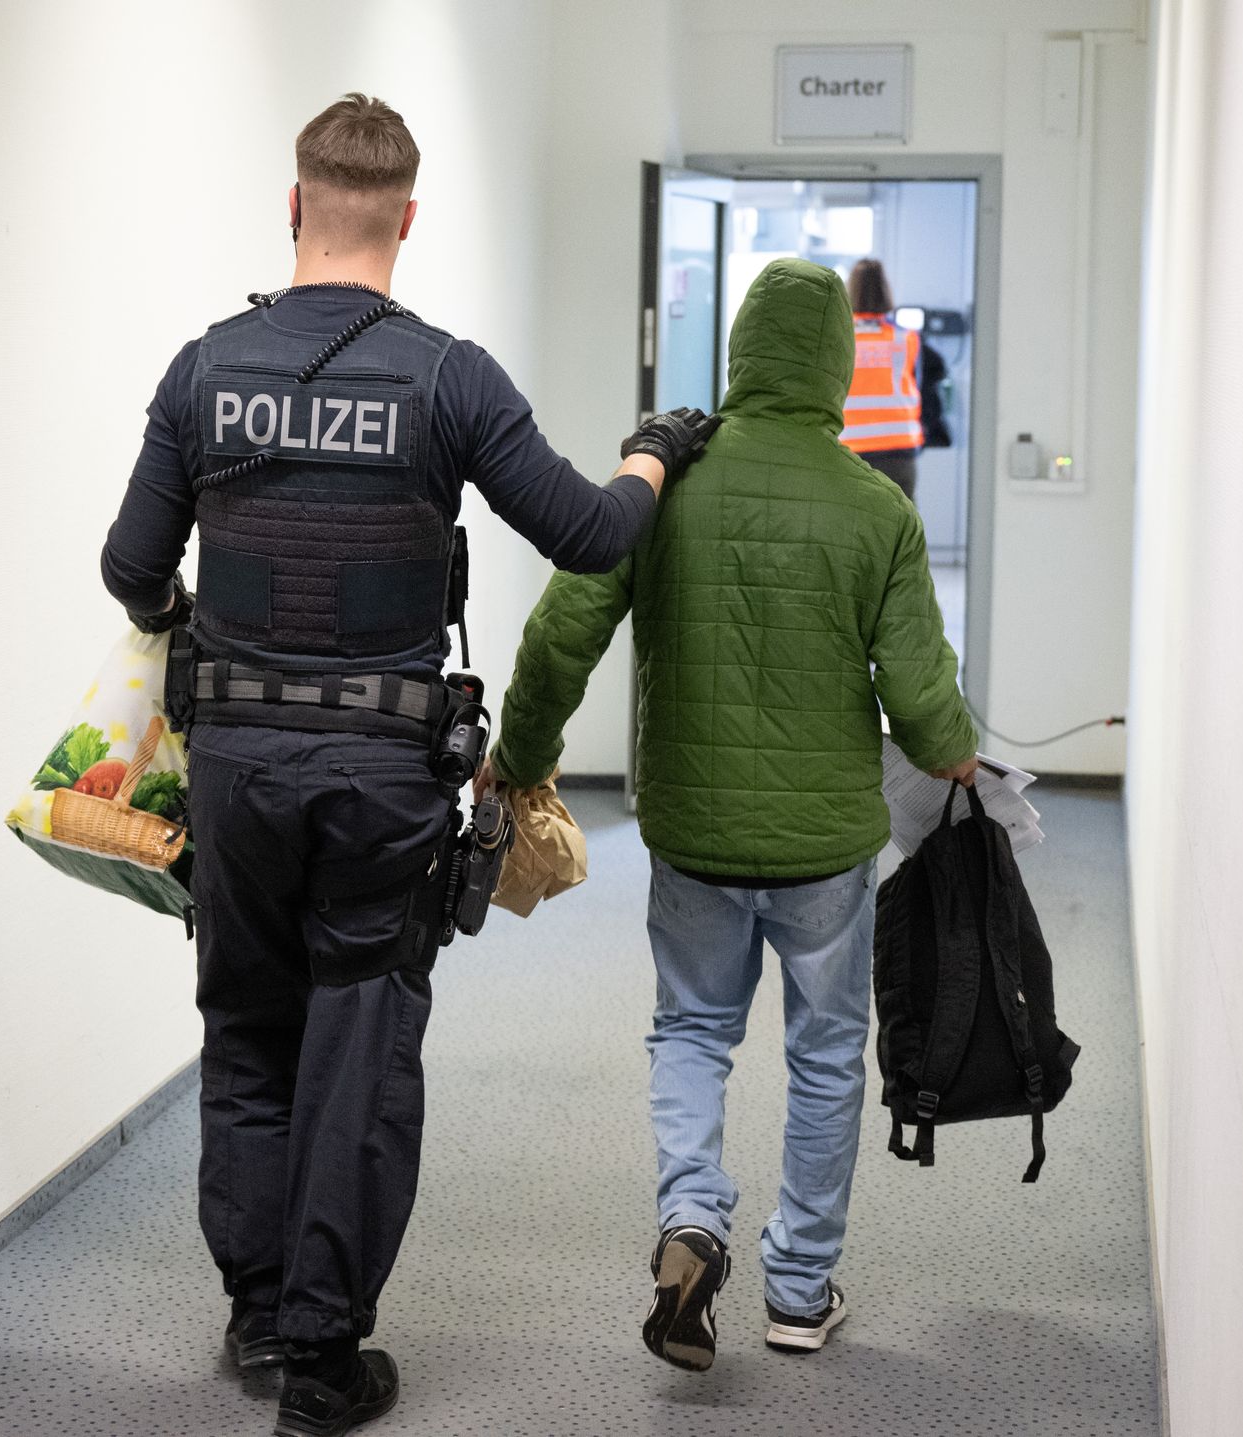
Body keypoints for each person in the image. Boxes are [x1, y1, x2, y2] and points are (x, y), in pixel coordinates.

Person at [99, 93, 715, 1437]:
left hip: (237, 774)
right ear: (410, 221)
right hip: (383, 781)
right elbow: (593, 535)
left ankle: (260, 1304)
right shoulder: (449, 377)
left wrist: (181, 632)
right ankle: (323, 1359)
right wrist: (652, 456)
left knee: (249, 1025)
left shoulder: (204, 369)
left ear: (294, 206)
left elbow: (131, 569)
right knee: (359, 1041)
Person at [481, 258, 978, 1371]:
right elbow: (928, 714)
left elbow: (563, 631)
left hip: (691, 836)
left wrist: (519, 757)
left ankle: (691, 1223)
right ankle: (798, 1291)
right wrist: (955, 754)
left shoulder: (663, 489)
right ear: (837, 368)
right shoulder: (875, 509)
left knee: (694, 1033)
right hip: (824, 855)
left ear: (738, 356)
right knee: (825, 1056)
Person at [842, 257, 924, 501]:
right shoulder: (905, 339)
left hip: (850, 450)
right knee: (902, 532)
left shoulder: (839, 339)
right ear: (885, 291)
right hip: (899, 450)